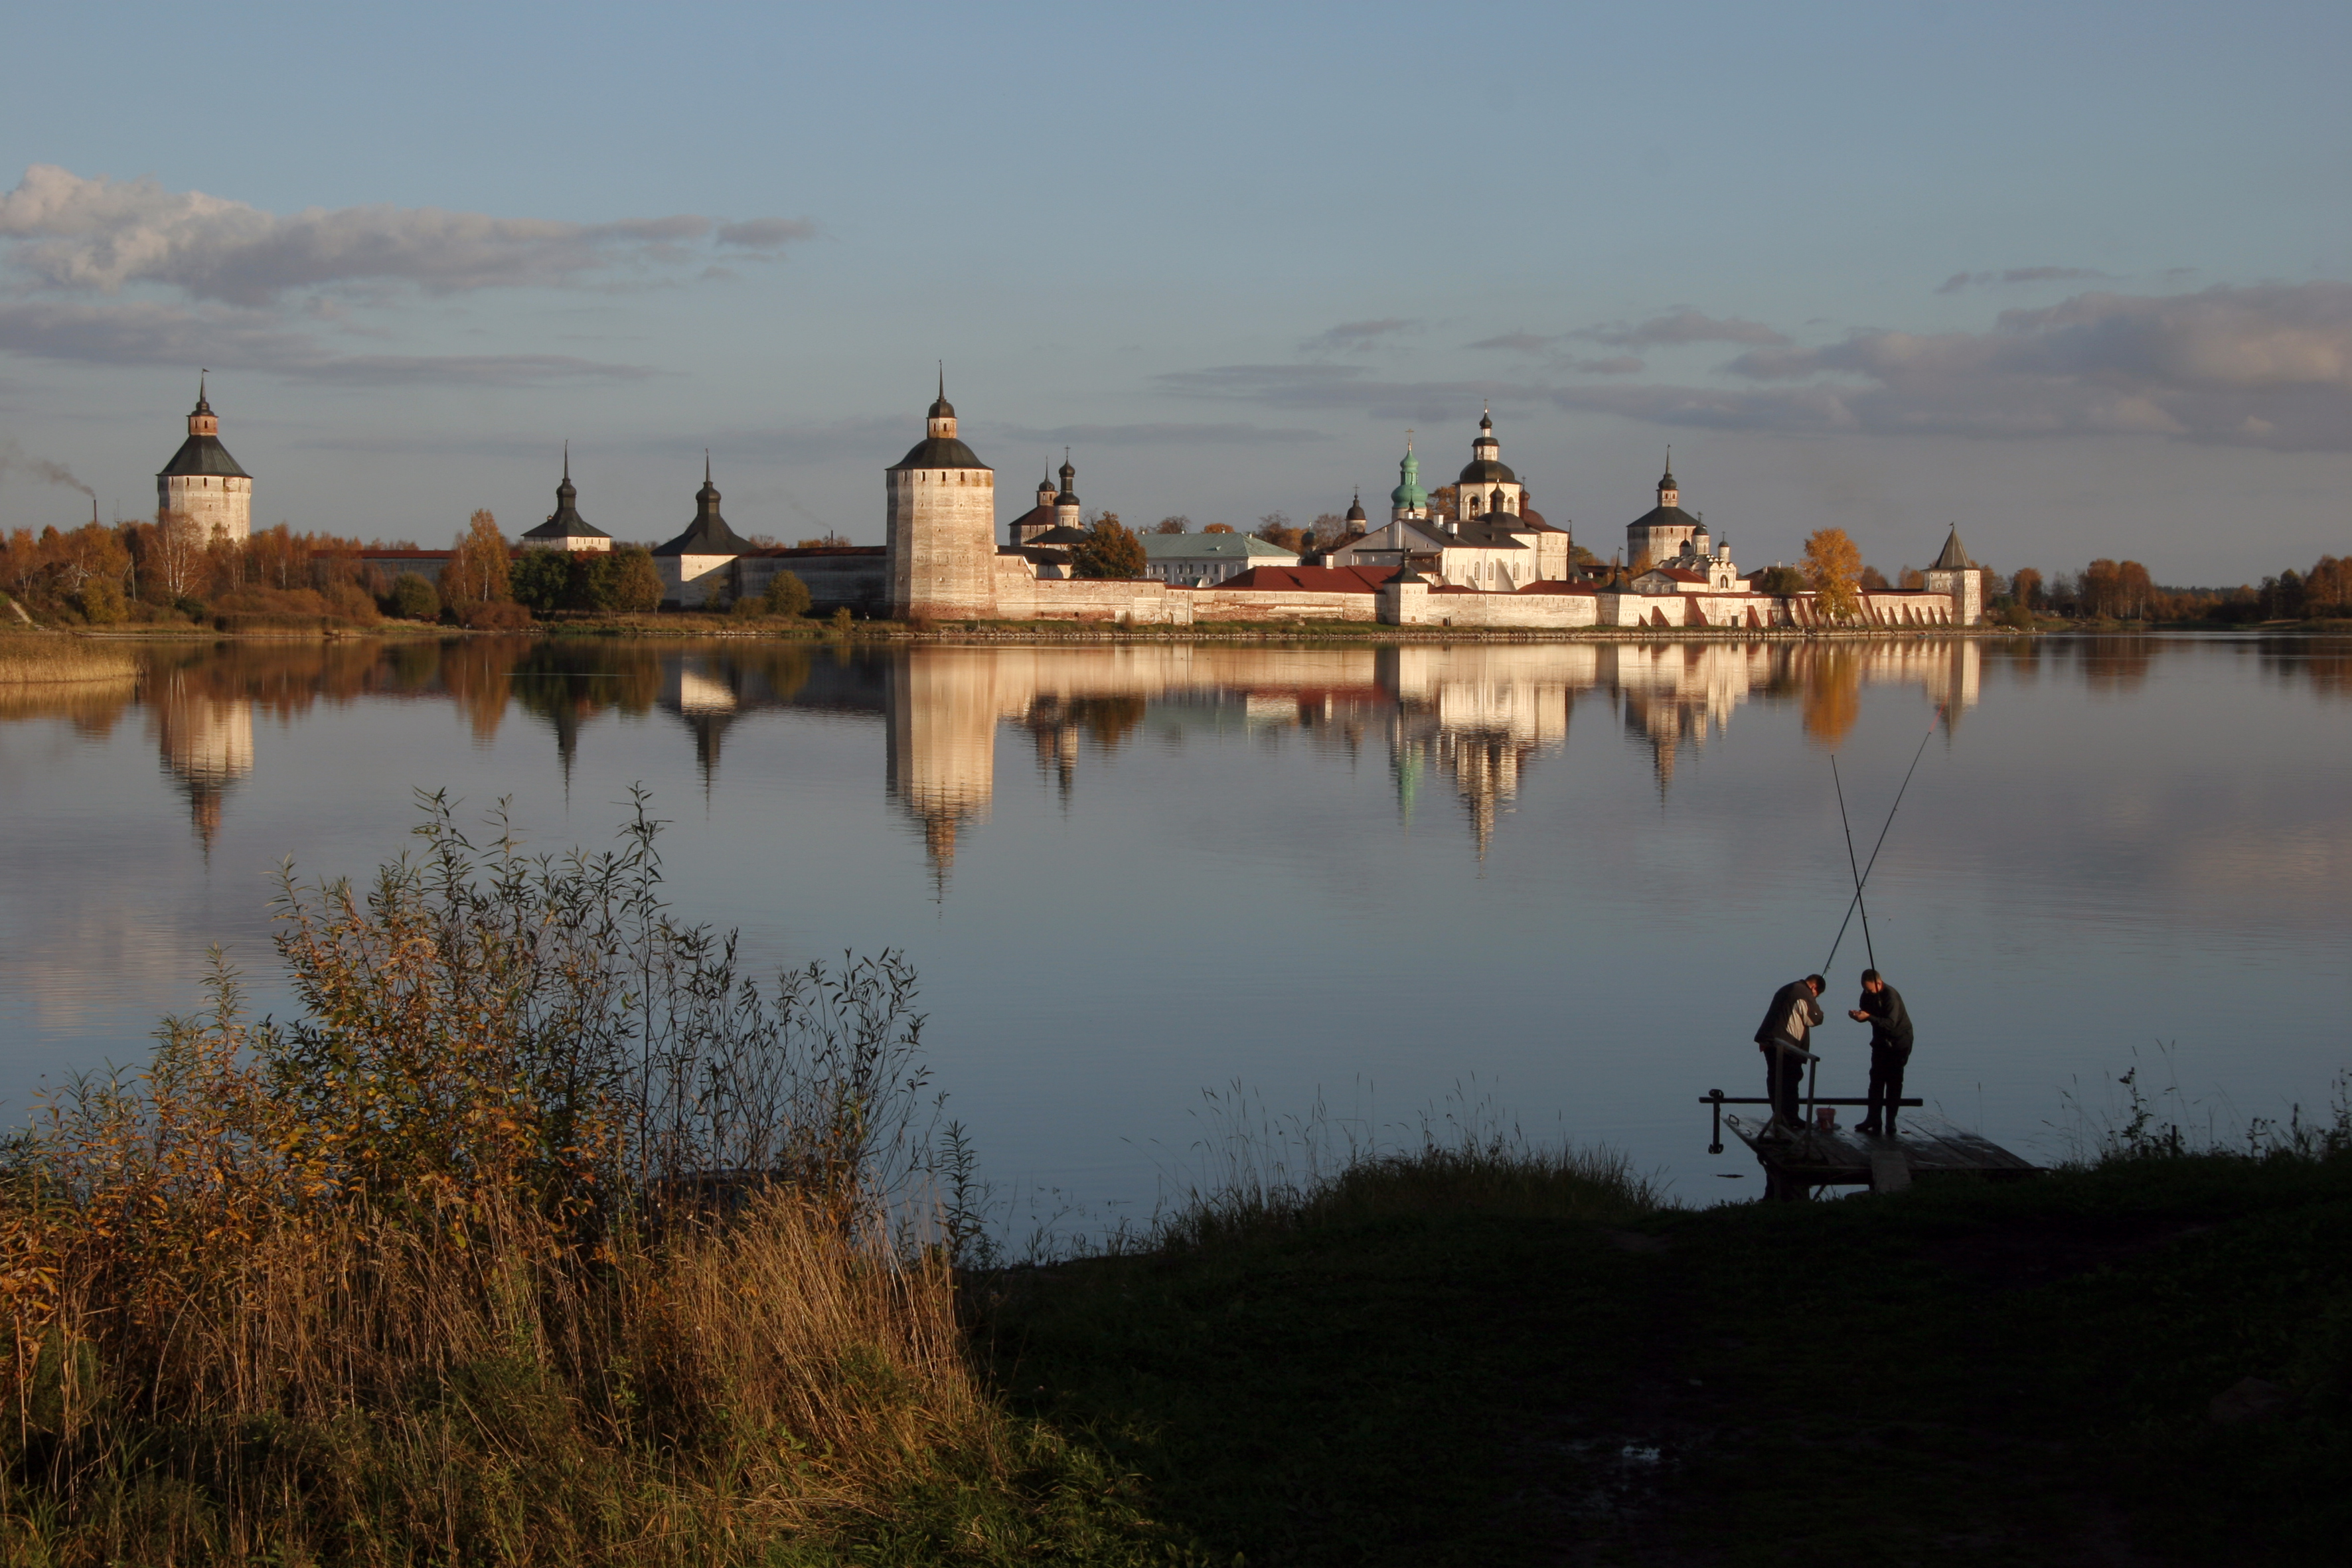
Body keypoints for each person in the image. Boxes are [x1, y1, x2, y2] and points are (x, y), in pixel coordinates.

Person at [1753, 975, 1825, 1133]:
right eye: (1816, 995)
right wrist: (1815, 1004)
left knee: (1776, 1078)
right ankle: (1790, 1118)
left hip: (1770, 1040)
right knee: (1790, 1078)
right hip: (1784, 1045)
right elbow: (1814, 1019)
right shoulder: (1803, 993)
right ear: (1814, 988)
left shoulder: (1789, 988)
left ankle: (1780, 1116)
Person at [1848, 969, 1914, 1137]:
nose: (1867, 992)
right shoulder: (1867, 995)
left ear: (1879, 983)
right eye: (1864, 989)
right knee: (1876, 1080)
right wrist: (1859, 1016)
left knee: (1894, 1082)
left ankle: (1891, 1121)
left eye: (1870, 990)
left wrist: (1869, 1017)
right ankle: (1873, 1119)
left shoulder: (1890, 996)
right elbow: (1868, 1014)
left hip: (1899, 1042)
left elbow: (1891, 1023)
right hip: (1880, 1042)